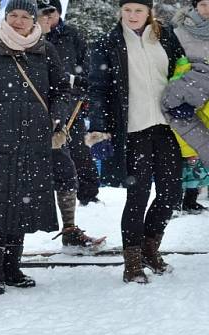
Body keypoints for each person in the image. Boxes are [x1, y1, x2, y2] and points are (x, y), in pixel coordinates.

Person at [0, 0, 71, 295]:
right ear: (5, 17)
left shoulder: (45, 50)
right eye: (13, 15)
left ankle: (12, 268)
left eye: (24, 16)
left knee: (24, 202)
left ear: (34, 20)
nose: (18, 21)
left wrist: (54, 116)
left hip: (35, 141)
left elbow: (62, 90)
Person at [86, 0, 186, 283]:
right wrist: (100, 127)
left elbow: (182, 73)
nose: (133, 16)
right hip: (132, 130)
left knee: (170, 194)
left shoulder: (166, 38)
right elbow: (98, 89)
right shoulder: (108, 43)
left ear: (149, 12)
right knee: (137, 196)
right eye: (127, 10)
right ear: (120, 11)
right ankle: (132, 261)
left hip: (167, 128)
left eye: (139, 10)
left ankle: (149, 248)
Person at [38, 0, 106, 251]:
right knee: (24, 174)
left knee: (70, 163)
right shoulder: (26, 36)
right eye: (41, 12)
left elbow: (86, 70)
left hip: (70, 110)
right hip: (33, 114)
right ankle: (4, 240)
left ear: (59, 13)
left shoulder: (72, 35)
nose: (46, 17)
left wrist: (77, 82)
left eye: (51, 12)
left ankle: (71, 224)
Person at [170, 0, 209, 214]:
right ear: (195, 6)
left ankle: (191, 199)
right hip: (187, 93)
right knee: (187, 150)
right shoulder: (180, 32)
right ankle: (178, 200)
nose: (208, 9)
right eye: (203, 4)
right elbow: (172, 63)